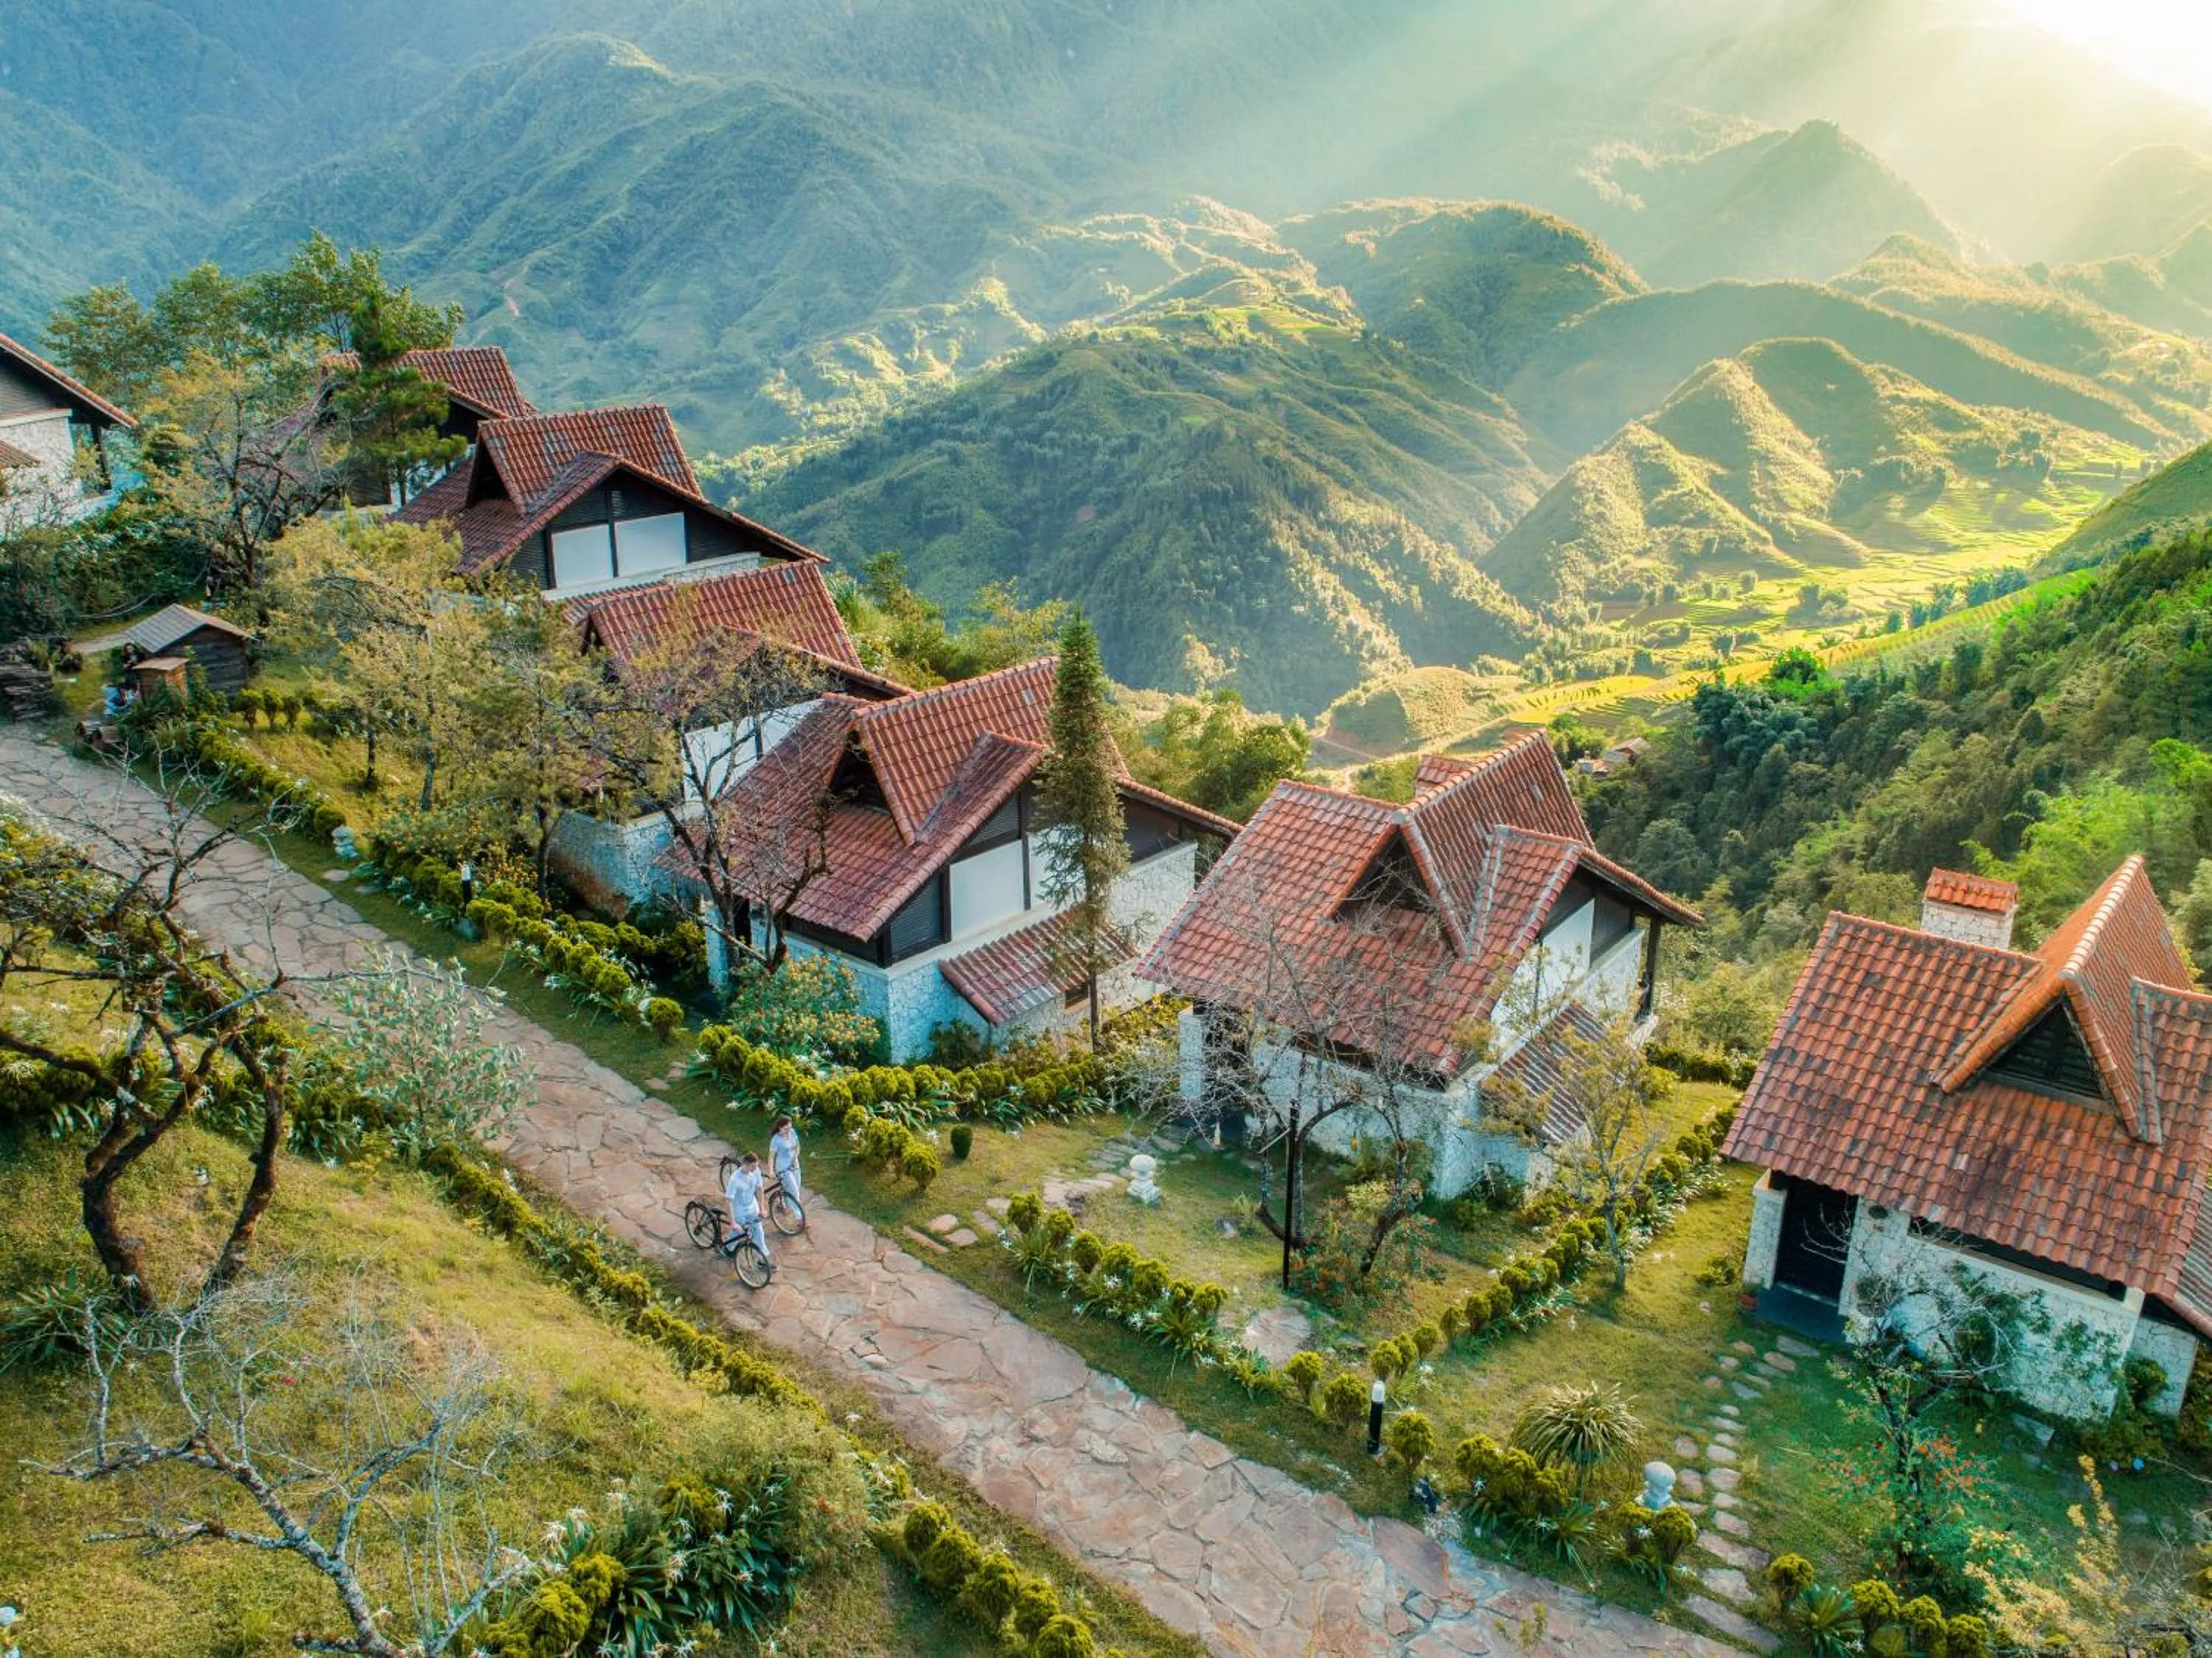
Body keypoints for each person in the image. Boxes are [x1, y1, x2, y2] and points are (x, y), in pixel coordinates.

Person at [723, 1151, 769, 1266]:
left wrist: (762, 1208)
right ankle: (728, 1248)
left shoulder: (756, 1171)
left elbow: (759, 1189)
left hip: (753, 1207)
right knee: (738, 1231)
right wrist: (733, 1223)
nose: (755, 1169)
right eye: (753, 1167)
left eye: (756, 1166)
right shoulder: (735, 1179)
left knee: (758, 1231)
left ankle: (761, 1260)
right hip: (739, 1210)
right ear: (746, 1164)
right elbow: (728, 1201)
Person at [769, 1114, 801, 1211]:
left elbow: (798, 1146)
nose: (789, 1131)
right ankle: (799, 1217)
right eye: (786, 1129)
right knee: (794, 1192)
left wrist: (794, 1159)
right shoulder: (776, 1139)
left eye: (790, 1128)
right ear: (780, 1128)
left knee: (796, 1187)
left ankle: (782, 1203)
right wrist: (771, 1171)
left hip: (794, 1165)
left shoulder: (792, 1132)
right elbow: (771, 1157)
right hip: (783, 1168)